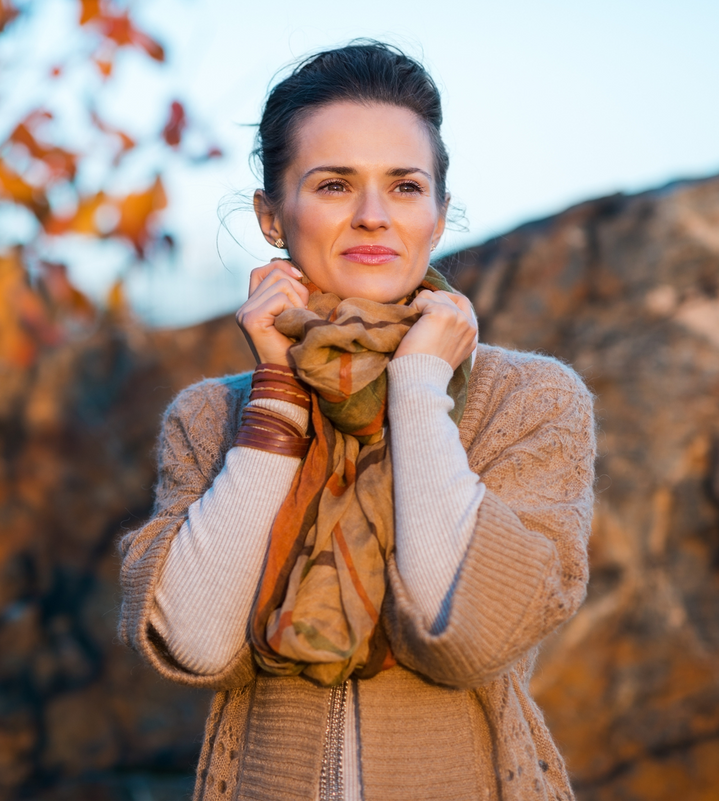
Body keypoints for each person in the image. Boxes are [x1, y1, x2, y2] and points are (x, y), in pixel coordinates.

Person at [118, 41, 596, 801]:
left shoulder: (530, 400)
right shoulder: (211, 415)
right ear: (273, 217)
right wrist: (275, 400)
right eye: (335, 184)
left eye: (405, 186)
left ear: (438, 216)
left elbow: (465, 636)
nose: (374, 217)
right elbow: (199, 643)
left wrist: (416, 385)